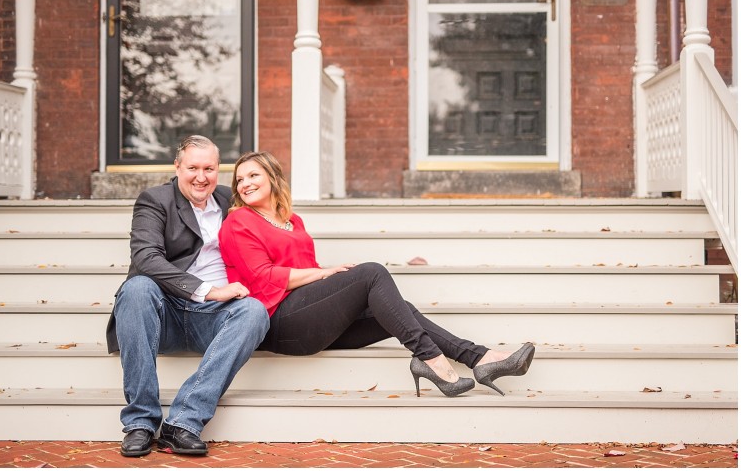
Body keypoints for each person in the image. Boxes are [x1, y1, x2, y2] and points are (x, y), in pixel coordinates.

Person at [218, 151, 534, 398]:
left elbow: (306, 275)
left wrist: (327, 279)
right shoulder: (239, 221)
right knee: (370, 273)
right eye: (239, 179)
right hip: (277, 323)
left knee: (399, 309)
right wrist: (324, 273)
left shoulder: (293, 221)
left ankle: (480, 358)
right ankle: (432, 359)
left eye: (252, 175)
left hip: (307, 318)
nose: (244, 184)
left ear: (273, 177)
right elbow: (261, 278)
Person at [105, 136, 269, 458]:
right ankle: (140, 422)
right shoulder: (155, 200)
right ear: (177, 167)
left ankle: (182, 423)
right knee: (137, 287)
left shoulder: (228, 199)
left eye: (209, 168)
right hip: (162, 311)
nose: (201, 177)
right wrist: (209, 290)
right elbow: (147, 258)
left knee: (254, 311)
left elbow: (271, 225)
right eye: (192, 167)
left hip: (211, 318)